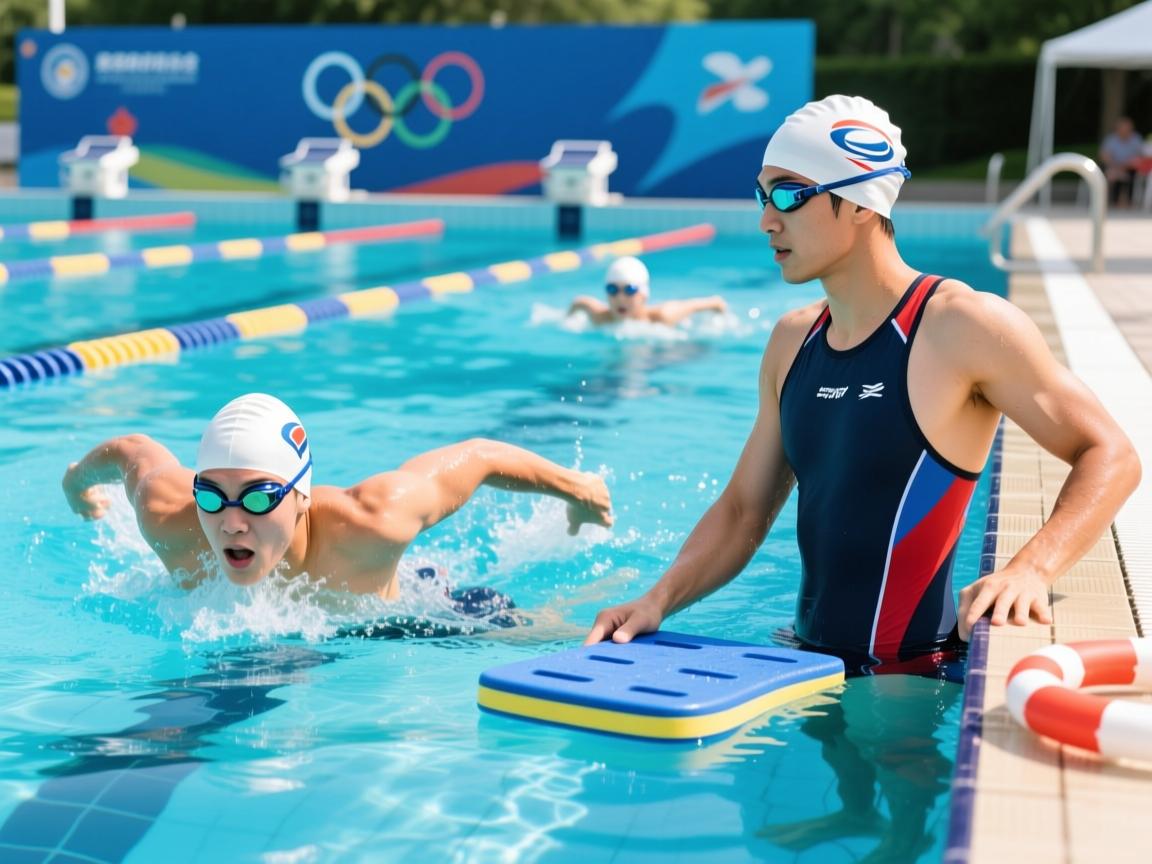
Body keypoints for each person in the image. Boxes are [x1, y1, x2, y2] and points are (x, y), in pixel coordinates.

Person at [586, 94, 1139, 671]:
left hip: (912, 683)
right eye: (761, 195)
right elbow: (744, 511)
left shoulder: (958, 325)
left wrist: (1032, 566)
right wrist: (657, 600)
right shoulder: (791, 342)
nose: (766, 219)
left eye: (788, 195)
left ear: (858, 201)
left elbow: (1111, 453)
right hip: (804, 666)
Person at [62, 393, 613, 597]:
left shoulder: (372, 521)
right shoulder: (169, 516)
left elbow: (483, 456)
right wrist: (75, 486)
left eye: (257, 498)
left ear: (301, 496)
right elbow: (131, 451)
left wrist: (579, 489)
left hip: (405, 621)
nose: (230, 522)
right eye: (214, 496)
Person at [567, 256, 728, 326]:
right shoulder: (599, 317)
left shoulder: (662, 317)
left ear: (644, 295)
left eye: (629, 290)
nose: (620, 298)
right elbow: (579, 303)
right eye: (612, 289)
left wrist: (722, 320)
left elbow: (714, 302)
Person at [1098, 116, 1145, 207]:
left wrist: (1122, 168)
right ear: (1117, 129)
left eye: (1128, 128)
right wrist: (1115, 168)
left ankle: (1128, 202)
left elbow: (1139, 157)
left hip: (1129, 168)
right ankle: (1112, 202)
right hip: (1112, 167)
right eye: (1123, 128)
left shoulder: (1136, 139)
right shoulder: (1110, 139)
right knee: (1111, 173)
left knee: (1130, 174)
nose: (1125, 130)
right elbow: (1104, 156)